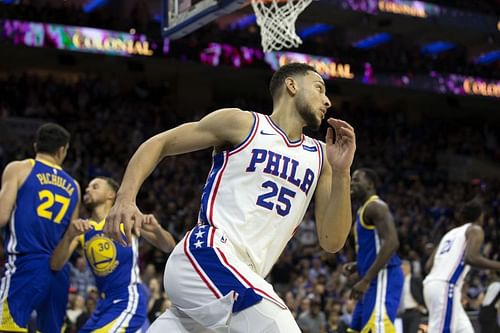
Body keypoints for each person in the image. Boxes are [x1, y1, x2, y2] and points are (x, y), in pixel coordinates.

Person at [104, 62, 357, 332]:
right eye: (319, 89)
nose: (327, 100)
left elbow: (332, 241)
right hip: (209, 254)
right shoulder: (243, 124)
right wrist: (125, 198)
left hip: (239, 280)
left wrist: (342, 172)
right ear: (291, 86)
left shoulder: (322, 157)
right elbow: (160, 143)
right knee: (278, 326)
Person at [50, 177, 176, 332]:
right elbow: (55, 265)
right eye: (88, 187)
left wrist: (157, 229)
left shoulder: (125, 218)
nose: (88, 190)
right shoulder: (81, 229)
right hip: (102, 304)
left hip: (128, 298)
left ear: (110, 195)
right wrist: (69, 236)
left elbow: (169, 246)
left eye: (95, 187)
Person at [0, 123, 80, 332]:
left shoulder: (19, 168)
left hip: (26, 264)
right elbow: (70, 236)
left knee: (6, 326)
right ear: (62, 150)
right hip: (58, 271)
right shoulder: (74, 186)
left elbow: (1, 216)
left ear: (36, 145)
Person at [424, 199, 500, 333]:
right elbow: (471, 258)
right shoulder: (475, 229)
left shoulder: (450, 234)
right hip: (445, 286)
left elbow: (428, 265)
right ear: (480, 216)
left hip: (432, 285)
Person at [344, 168, 403, 333]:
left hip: (382, 277)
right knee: (355, 329)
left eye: (356, 180)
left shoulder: (376, 206)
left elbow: (392, 242)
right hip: (371, 280)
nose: (352, 183)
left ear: (370, 184)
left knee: (377, 328)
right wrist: (359, 264)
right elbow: (375, 247)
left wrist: (366, 279)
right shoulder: (362, 210)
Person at [399, 260, 425, 333]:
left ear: (409, 267)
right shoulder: (398, 282)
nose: (402, 269)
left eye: (404, 267)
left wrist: (423, 306)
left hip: (414, 312)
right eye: (401, 268)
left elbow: (423, 293)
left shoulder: (416, 280)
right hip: (402, 313)